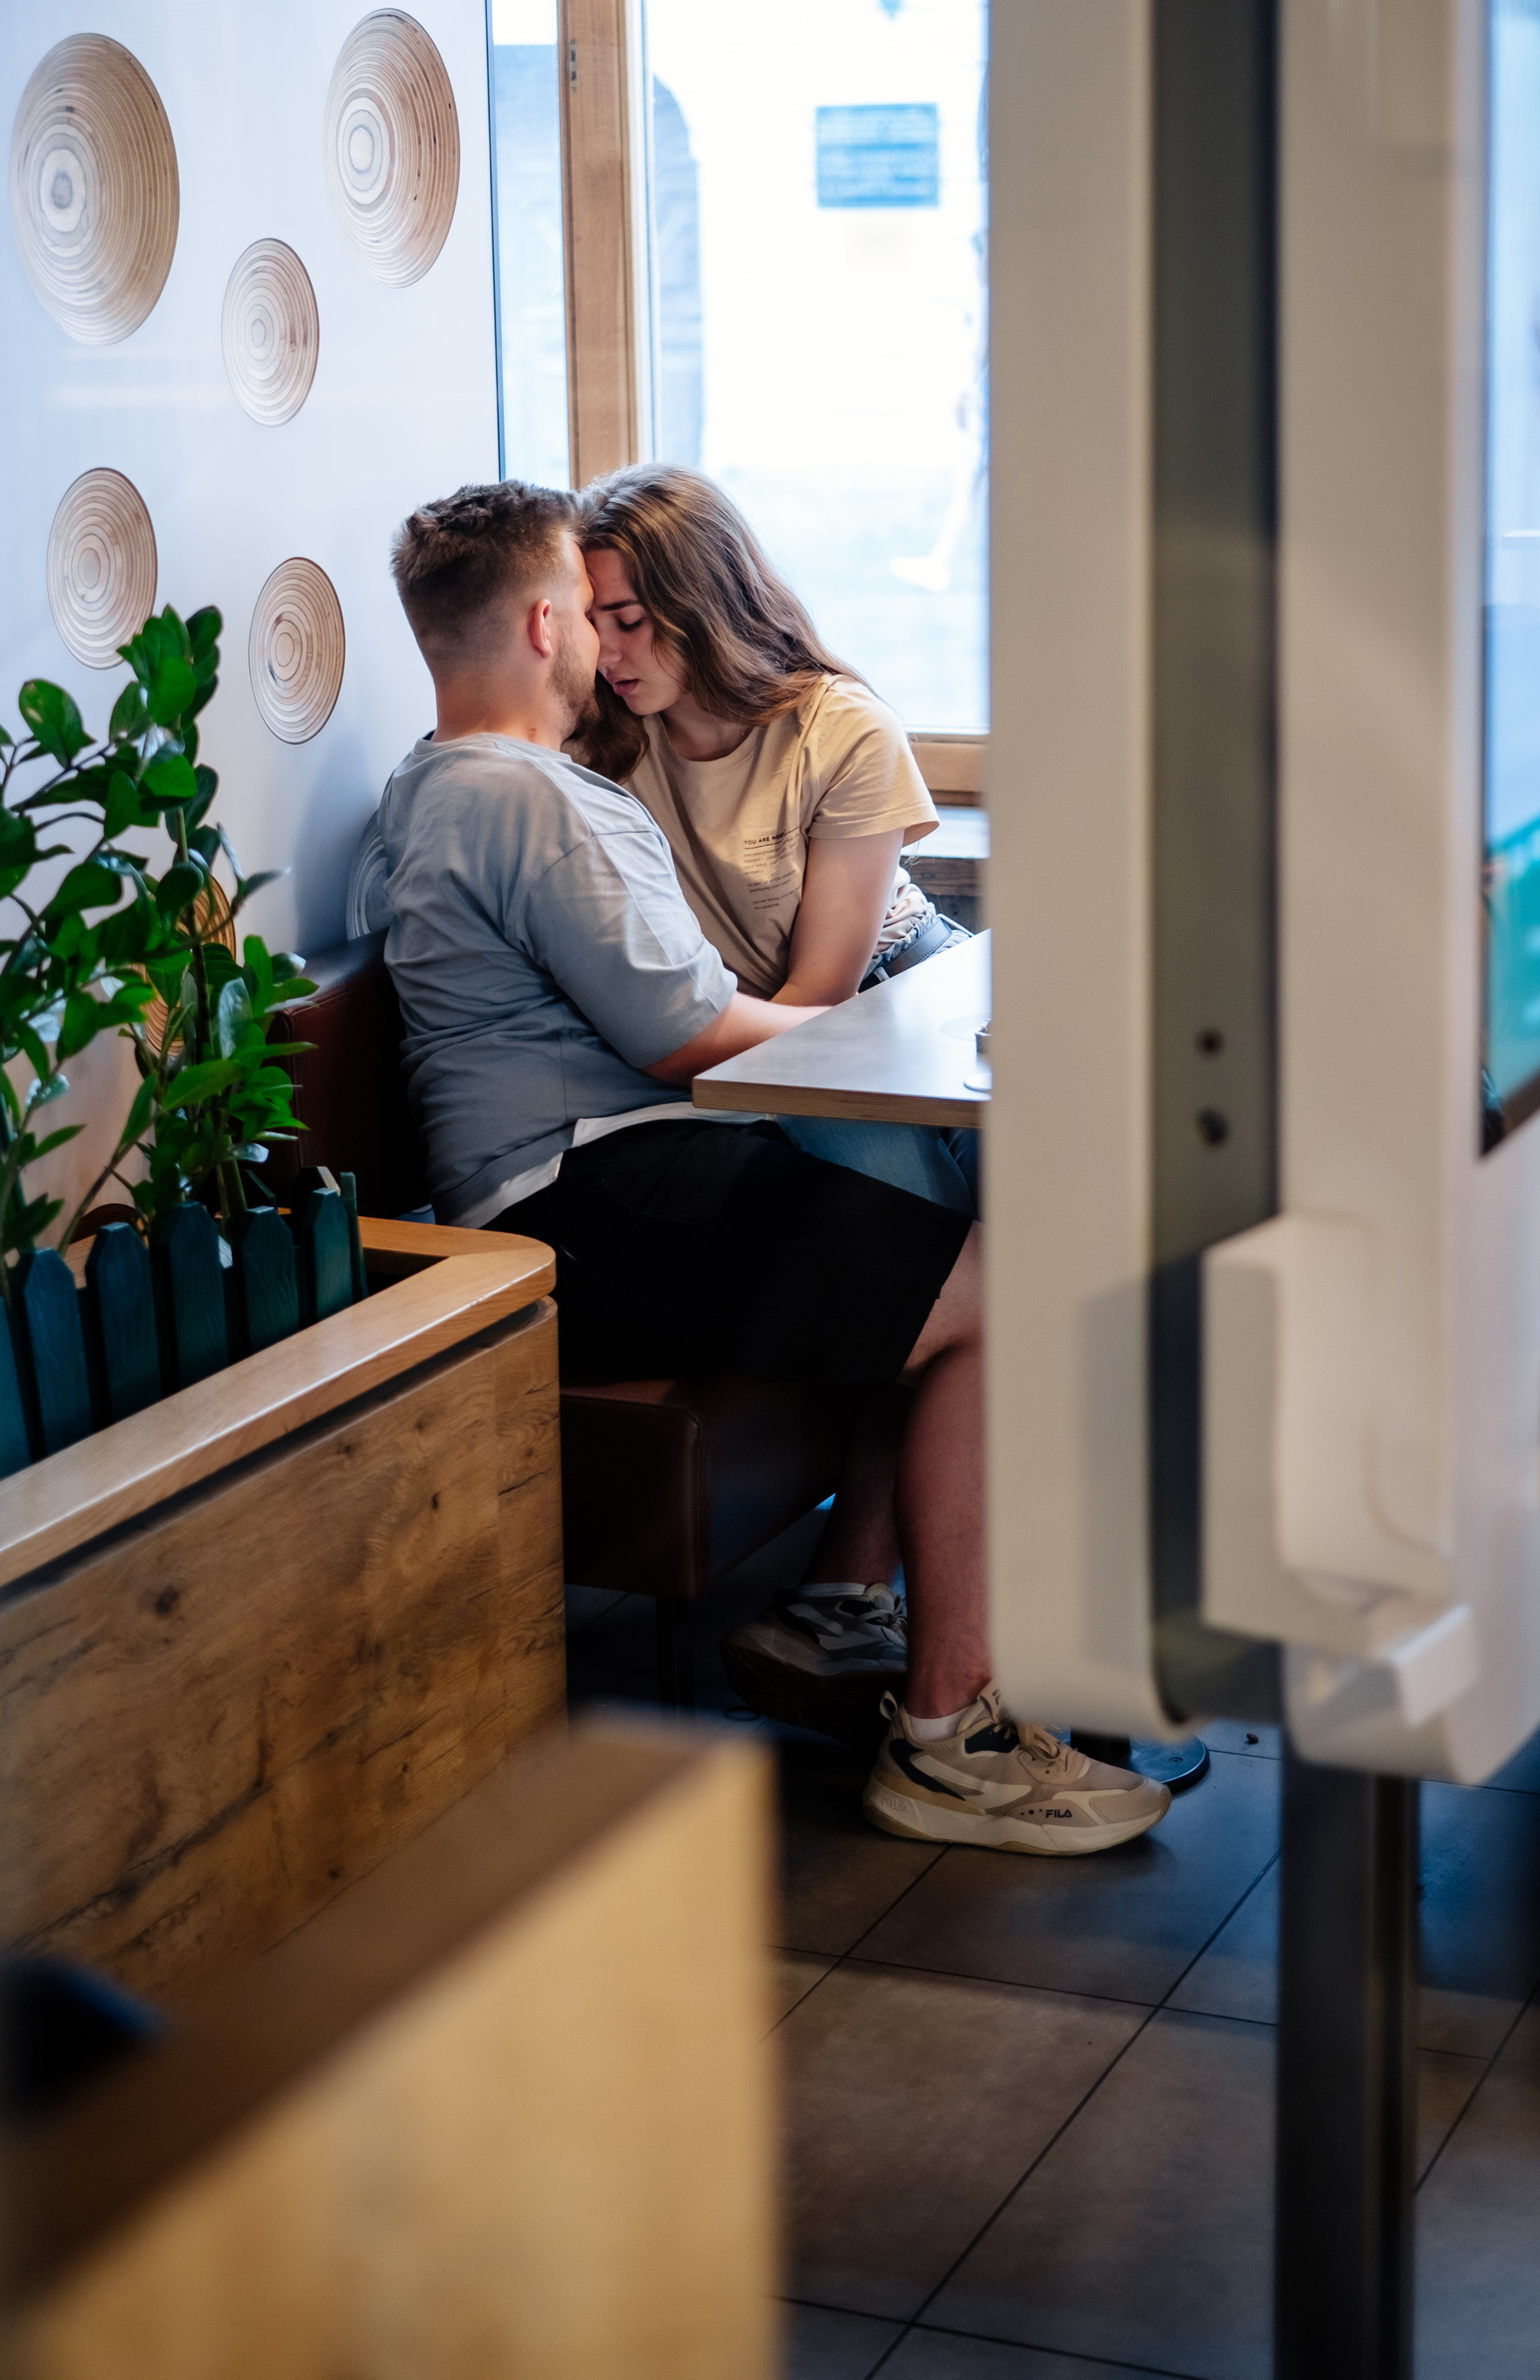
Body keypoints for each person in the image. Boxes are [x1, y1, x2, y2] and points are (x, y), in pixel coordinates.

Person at [353, 479, 1166, 1855]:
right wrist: (880, 1028)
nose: (608, 649)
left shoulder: (429, 791)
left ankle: (878, 1618)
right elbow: (687, 1040)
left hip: (563, 1189)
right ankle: (946, 1733)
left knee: (940, 1252)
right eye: (592, 614)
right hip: (594, 1196)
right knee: (1001, 1286)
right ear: (548, 620)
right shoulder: (544, 802)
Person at [572, 463, 976, 1214]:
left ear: (701, 605)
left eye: (628, 621)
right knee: (925, 1243)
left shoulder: (844, 729)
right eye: (590, 623)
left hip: (895, 995)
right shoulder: (598, 745)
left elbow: (822, 993)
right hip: (775, 1038)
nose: (605, 654)